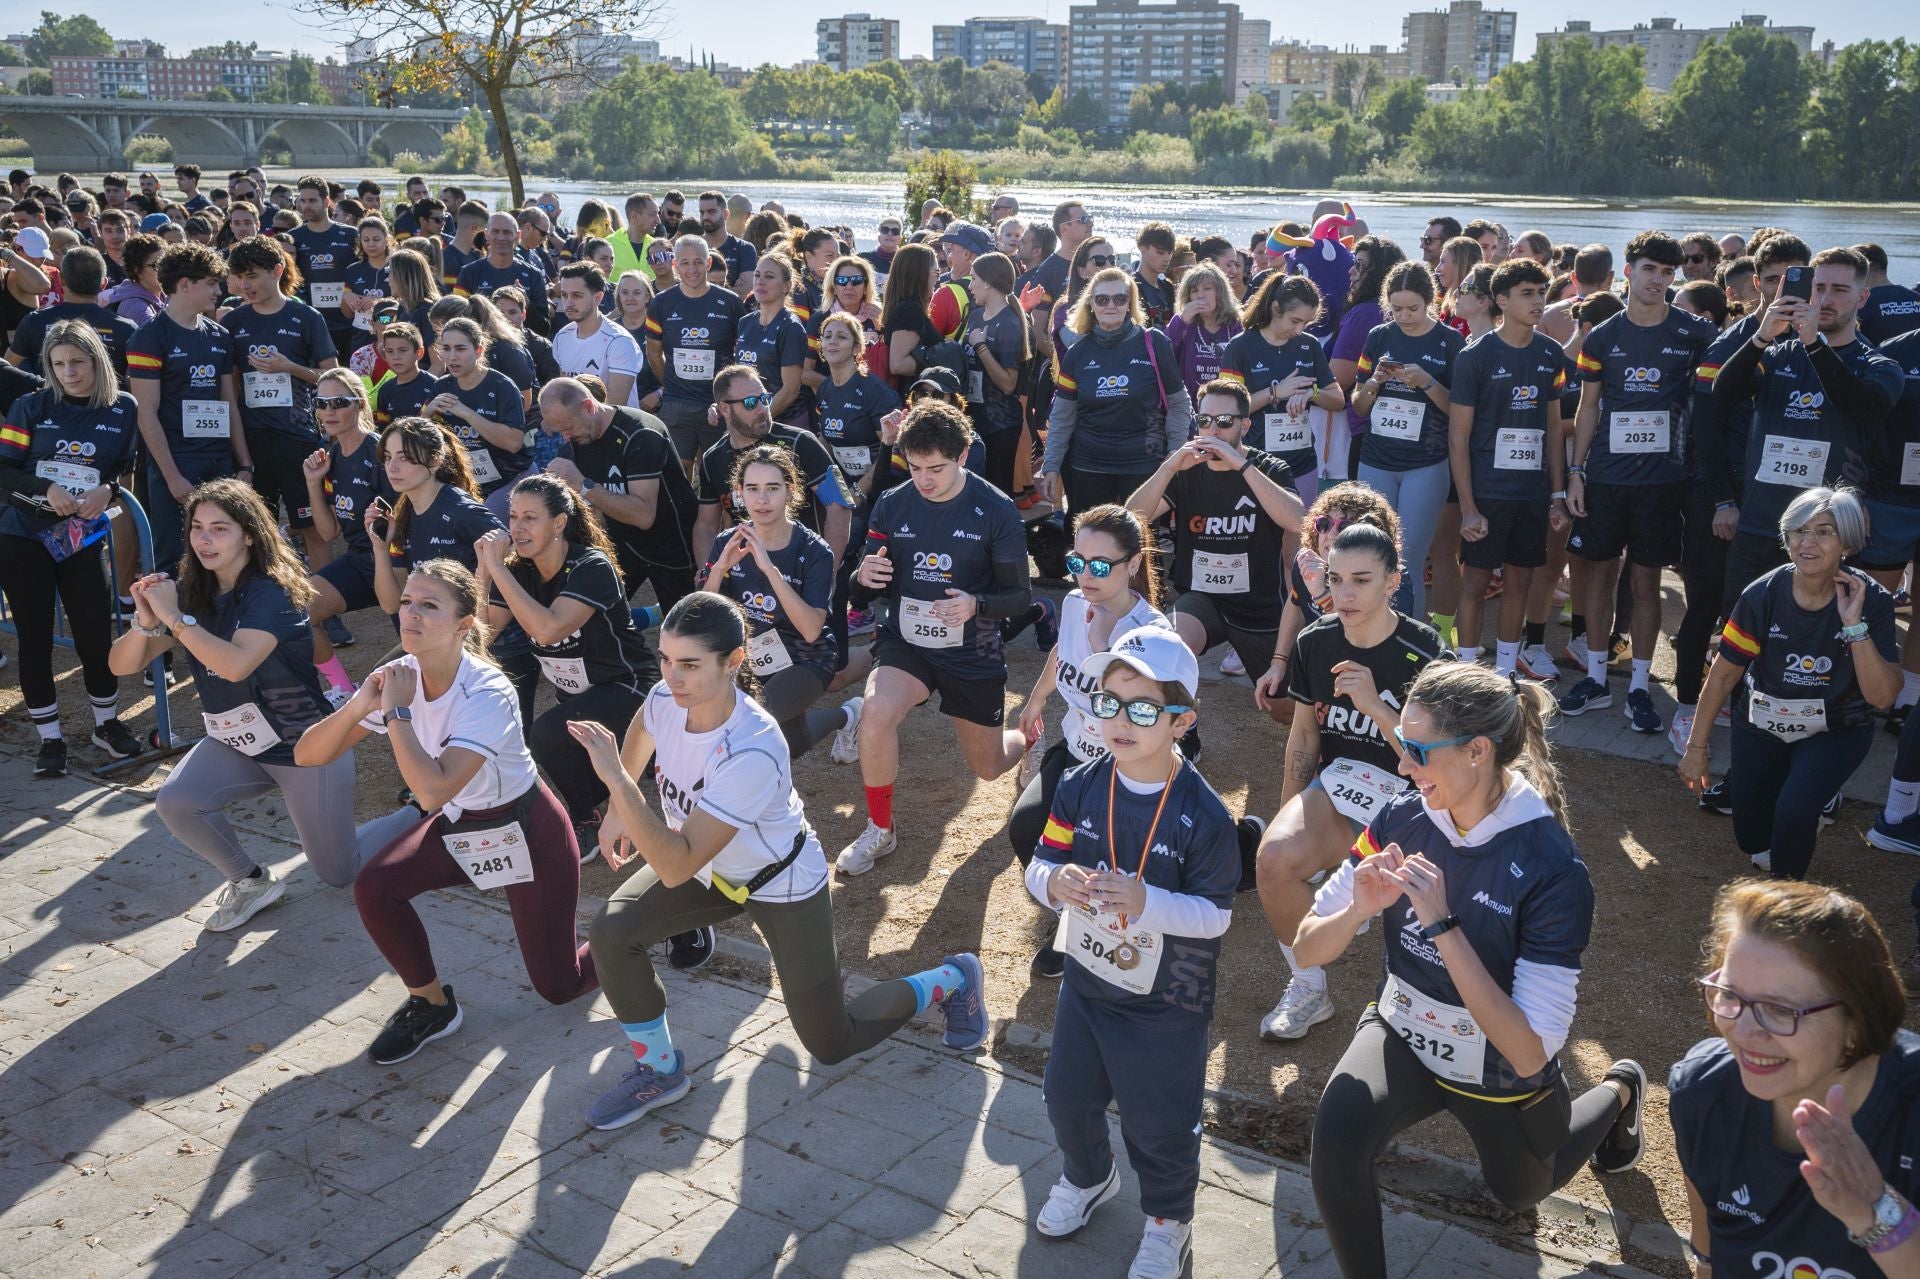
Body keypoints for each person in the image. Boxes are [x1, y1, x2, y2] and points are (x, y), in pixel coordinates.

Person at [571, 591, 988, 1129]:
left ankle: (951, 979)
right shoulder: (665, 699)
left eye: (691, 665)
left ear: (735, 661)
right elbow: (644, 728)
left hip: (779, 882)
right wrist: (616, 815)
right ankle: (660, 1071)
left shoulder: (753, 746)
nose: (673, 678)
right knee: (612, 930)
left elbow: (674, 864)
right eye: (666, 660)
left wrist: (617, 785)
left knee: (831, 1041)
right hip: (710, 870)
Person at [1296, 661, 1647, 1279]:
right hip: (1402, 1029)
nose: (1404, 766)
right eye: (1404, 748)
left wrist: (1442, 926)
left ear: (1478, 751)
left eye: (1419, 752)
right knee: (1336, 1139)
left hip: (1499, 1060)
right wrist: (1357, 907)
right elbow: (1305, 949)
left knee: (1519, 1192)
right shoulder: (1400, 817)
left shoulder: (1552, 866)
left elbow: (1529, 1050)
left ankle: (1620, 1089)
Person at [296, 559, 597, 1065]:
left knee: (559, 986)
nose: (409, 614)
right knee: (375, 887)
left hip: (525, 828)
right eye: (408, 602)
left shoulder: (488, 691)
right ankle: (431, 1004)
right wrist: (357, 706)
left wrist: (395, 713)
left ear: (464, 625)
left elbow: (431, 793)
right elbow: (308, 755)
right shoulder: (397, 677)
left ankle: (636, 932)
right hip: (463, 826)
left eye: (428, 606)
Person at [1023, 625, 1238, 1279]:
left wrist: (1148, 904)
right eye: (1109, 702)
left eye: (1143, 708)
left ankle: (1168, 1222)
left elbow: (1216, 916)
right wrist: (1050, 883)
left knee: (1161, 1123)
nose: (1120, 720)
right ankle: (1089, 1177)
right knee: (1065, 1097)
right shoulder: (1082, 782)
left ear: (1181, 720)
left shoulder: (1205, 816)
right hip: (1087, 984)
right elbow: (1043, 860)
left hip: (1167, 1003)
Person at [108, 479, 373, 929]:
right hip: (237, 743)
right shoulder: (194, 590)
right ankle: (250, 882)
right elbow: (121, 666)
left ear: (250, 533)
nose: (205, 539)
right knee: (176, 802)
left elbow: (236, 665)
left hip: (304, 748)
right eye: (197, 527)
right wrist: (147, 624)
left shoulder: (274, 592)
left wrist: (174, 616)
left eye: (220, 528)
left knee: (338, 873)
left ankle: (417, 818)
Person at [1252, 522, 1446, 1041]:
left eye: (1361, 580)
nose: (1345, 594)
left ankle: (1424, 1007)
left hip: (1414, 799)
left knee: (1422, 912)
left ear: (1392, 581)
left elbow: (1436, 764)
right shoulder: (1315, 641)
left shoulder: (1424, 650)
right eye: (1336, 580)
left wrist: (1379, 708)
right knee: (1272, 860)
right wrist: (1286, 812)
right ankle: (1308, 987)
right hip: (1341, 786)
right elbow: (1304, 735)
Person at [1669, 880, 1920, 1279]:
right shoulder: (1703, 1093)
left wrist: (1876, 1213)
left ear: (1857, 1021)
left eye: (1780, 1009)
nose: (1744, 1031)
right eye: (1730, 994)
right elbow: (1711, 1251)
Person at [839, 402, 1034, 875]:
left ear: (964, 455)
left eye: (937, 469)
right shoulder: (893, 502)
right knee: (876, 712)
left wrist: (976, 604)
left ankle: (1031, 740)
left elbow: (1020, 597)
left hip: (973, 646)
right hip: (907, 641)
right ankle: (880, 829)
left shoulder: (995, 509)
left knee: (988, 767)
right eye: (916, 467)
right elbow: (861, 588)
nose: (924, 479)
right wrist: (863, 577)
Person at [1681, 488, 1898, 878]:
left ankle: (1788, 897)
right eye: (1799, 530)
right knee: (1751, 836)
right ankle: (1804, 796)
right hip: (1762, 722)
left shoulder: (1873, 600)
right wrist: (1695, 747)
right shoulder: (1762, 595)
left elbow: (1881, 697)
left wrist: (1854, 626)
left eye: (1824, 532)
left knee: (1794, 811)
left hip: (1836, 729)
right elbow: (1722, 675)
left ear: (1847, 543)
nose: (1807, 542)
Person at [1559, 231, 1717, 730]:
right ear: (1628, 271)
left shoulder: (1694, 333)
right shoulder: (1602, 336)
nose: (1659, 281)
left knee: (1646, 580)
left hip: (1662, 482)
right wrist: (1576, 473)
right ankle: (1598, 679)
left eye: (1669, 274)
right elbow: (1587, 408)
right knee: (1600, 577)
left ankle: (1642, 687)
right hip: (1605, 477)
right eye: (1650, 270)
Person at [1011, 505, 1173, 978]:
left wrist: (1106, 646)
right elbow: (1064, 650)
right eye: (1076, 561)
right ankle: (1071, 914)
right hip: (1078, 754)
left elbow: (1133, 718)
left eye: (1100, 566)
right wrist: (1037, 700)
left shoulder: (1152, 633)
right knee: (1026, 828)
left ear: (1133, 565)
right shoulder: (1075, 602)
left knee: (1104, 853)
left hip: (1130, 768)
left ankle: (1098, 928)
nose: (1085, 575)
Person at [478, 472, 658, 850]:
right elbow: (482, 634)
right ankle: (603, 799)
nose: (517, 527)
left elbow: (548, 630)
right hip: (578, 697)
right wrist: (484, 573)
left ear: (559, 522)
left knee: (545, 734)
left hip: (629, 686)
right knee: (562, 747)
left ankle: (586, 820)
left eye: (530, 517)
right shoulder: (518, 571)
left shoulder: (590, 566)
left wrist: (498, 571)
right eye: (512, 517)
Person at [0, 320, 145, 777]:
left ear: (96, 361)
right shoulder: (29, 406)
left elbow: (122, 468)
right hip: (23, 536)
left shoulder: (124, 407)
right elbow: (4, 470)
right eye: (58, 364)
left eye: (77, 362)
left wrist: (108, 490)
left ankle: (106, 724)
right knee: (36, 637)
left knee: (93, 632)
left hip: (81, 537)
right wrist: (45, 488)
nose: (69, 372)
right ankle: (50, 738)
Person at [1128, 379, 1303, 728]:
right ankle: (1184, 730)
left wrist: (1241, 466)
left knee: (1284, 710)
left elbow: (1299, 520)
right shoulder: (1186, 470)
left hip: (1257, 607)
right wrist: (1167, 468)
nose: (1213, 430)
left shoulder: (1268, 469)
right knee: (1169, 649)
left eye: (1224, 422)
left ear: (1245, 425)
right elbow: (1129, 520)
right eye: (1204, 421)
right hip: (1201, 599)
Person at [1448, 260, 1571, 673]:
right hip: (1486, 493)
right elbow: (1458, 437)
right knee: (1476, 582)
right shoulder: (1475, 356)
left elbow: (1554, 431)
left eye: (1542, 293)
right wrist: (1467, 506)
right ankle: (1466, 671)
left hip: (1532, 495)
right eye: (1527, 294)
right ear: (1501, 300)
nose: (1538, 302)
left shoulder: (1551, 353)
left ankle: (1503, 673)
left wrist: (1557, 494)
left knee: (1520, 581)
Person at [702, 445, 852, 761]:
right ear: (739, 493)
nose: (762, 499)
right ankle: (849, 716)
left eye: (773, 488)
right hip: (750, 656)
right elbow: (702, 618)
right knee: (793, 744)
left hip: (805, 658)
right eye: (752, 489)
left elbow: (812, 630)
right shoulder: (726, 543)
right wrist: (720, 569)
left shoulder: (815, 551)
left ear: (791, 491)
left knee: (752, 723)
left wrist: (769, 569)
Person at [1348, 260, 1462, 622]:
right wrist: (1374, 383)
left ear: (1429, 301)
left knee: (1407, 560)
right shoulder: (1379, 336)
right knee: (1370, 554)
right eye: (1396, 308)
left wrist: (1427, 382)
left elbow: (1459, 409)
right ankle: (1370, 632)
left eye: (1412, 308)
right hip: (1376, 459)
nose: (1404, 316)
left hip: (1425, 463)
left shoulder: (1448, 341)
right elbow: (1359, 405)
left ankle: (1407, 639)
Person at [128, 243, 250, 578]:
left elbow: (229, 405)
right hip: (176, 463)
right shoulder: (149, 338)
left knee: (228, 553)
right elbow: (145, 413)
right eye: (211, 283)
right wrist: (171, 475)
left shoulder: (219, 336)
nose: (219, 290)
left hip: (219, 461)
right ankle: (173, 629)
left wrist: (244, 463)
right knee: (174, 560)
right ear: (184, 284)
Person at [223, 234, 340, 569]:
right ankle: (264, 600)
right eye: (240, 277)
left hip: (298, 437)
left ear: (276, 271)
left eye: (253, 276)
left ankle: (322, 610)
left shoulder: (306, 318)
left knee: (311, 527)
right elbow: (228, 390)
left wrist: (289, 368)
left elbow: (331, 378)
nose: (245, 285)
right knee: (256, 529)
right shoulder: (232, 321)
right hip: (253, 439)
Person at [1040, 268, 1189, 515]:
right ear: (1091, 304)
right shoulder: (1078, 353)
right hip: (1089, 464)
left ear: (1129, 304)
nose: (1111, 305)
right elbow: (1062, 415)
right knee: (1092, 540)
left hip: (1144, 462)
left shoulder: (1155, 343)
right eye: (1102, 299)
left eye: (1119, 299)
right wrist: (1052, 465)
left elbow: (1179, 403)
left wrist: (1174, 452)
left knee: (1139, 542)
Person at [300, 370, 390, 700]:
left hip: (395, 563)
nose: (328, 411)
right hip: (359, 559)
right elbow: (328, 531)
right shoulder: (332, 457)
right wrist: (312, 482)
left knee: (416, 644)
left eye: (339, 402)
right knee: (297, 610)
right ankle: (342, 688)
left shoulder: (380, 453)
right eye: (321, 403)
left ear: (360, 405)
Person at [1219, 274, 1346, 506]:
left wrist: (1312, 394)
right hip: (1255, 463)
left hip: (1302, 463)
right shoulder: (1240, 346)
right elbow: (1226, 411)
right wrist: (1274, 393)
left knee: (1298, 536)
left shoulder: (1309, 345)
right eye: (1294, 321)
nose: (1299, 330)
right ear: (1276, 308)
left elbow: (1337, 399)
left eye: (1305, 324)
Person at [645, 235, 745, 463]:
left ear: (708, 263)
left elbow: (742, 355)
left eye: (698, 262)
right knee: (680, 472)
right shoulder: (661, 303)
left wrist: (728, 394)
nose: (692, 269)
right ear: (675, 265)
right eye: (685, 262)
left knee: (720, 469)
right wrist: (670, 384)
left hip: (719, 404)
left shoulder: (730, 303)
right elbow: (653, 353)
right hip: (677, 404)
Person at [428, 316, 529, 516]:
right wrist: (428, 412)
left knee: (485, 524)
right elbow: (423, 437)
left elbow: (514, 443)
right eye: (446, 349)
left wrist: (466, 413)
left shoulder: (502, 386)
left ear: (479, 350)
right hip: (466, 480)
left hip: (510, 478)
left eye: (460, 349)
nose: (452, 357)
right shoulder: (441, 386)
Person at [962, 251, 1029, 498]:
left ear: (989, 282)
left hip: (1000, 426)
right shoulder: (977, 315)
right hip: (975, 419)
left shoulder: (1009, 323)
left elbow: (1009, 384)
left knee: (995, 495)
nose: (970, 286)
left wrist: (981, 348)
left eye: (974, 279)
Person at [734, 255, 811, 429]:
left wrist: (756, 420)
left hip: (784, 423)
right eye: (757, 275)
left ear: (786, 286)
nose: (760, 281)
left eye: (769, 276)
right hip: (750, 420)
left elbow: (790, 391)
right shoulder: (745, 322)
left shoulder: (791, 328)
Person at [551, 263, 641, 408]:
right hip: (574, 427)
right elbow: (567, 393)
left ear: (598, 298)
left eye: (577, 295)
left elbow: (614, 408)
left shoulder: (620, 342)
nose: (568, 303)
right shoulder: (562, 337)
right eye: (564, 295)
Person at [288, 175, 359, 357]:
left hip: (349, 323)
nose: (306, 206)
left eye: (312, 200)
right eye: (302, 201)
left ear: (327, 201)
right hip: (310, 323)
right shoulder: (293, 237)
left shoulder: (351, 235)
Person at [1164, 263, 1241, 403]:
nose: (1200, 295)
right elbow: (1164, 355)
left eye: (1207, 288)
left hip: (1227, 404)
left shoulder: (1235, 325)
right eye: (1194, 291)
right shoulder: (1184, 323)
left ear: (1219, 292)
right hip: (1191, 409)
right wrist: (1181, 321)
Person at [340, 214, 393, 354]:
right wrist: (347, 297)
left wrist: (378, 304)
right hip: (360, 342)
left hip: (392, 340)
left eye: (376, 239)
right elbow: (347, 315)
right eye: (366, 240)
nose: (371, 244)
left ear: (387, 240)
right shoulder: (352, 270)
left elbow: (407, 306)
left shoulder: (398, 267)